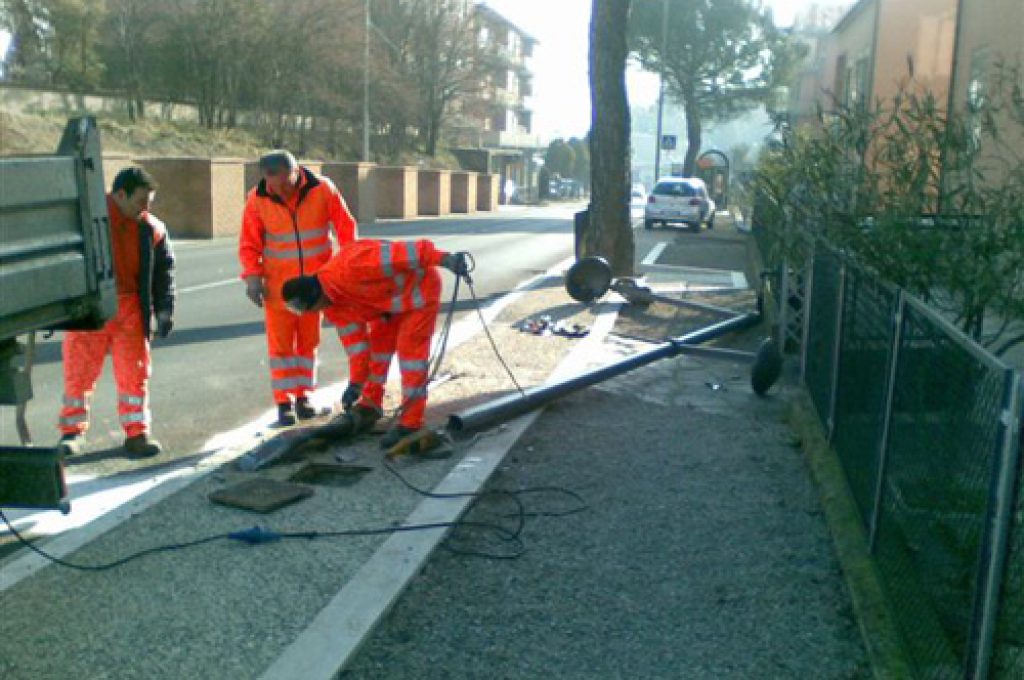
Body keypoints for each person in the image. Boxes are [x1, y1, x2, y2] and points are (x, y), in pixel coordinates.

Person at [281, 240, 470, 448]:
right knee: (378, 354)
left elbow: (408, 252)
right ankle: (370, 405)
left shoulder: (351, 267)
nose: (314, 313)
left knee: (411, 358)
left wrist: (445, 259)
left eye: (311, 308)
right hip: (387, 309)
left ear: (316, 296)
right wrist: (355, 384)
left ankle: (410, 423)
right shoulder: (333, 308)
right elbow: (358, 349)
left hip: (419, 294)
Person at [58, 167, 176, 459]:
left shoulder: (152, 228)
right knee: (79, 373)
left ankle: (137, 434)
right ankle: (72, 433)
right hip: (92, 309)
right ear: (119, 195)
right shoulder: (87, 221)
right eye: (140, 202)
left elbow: (164, 274)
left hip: (131, 310)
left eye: (149, 202)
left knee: (134, 375)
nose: (145, 209)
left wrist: (164, 311)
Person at [239, 150, 357, 426]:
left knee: (308, 343)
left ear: (296, 172)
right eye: (273, 185)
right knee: (280, 347)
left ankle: (304, 397)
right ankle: (284, 402)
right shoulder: (257, 198)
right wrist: (252, 278)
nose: (280, 191)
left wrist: (347, 267)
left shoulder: (323, 190)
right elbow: (249, 242)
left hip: (315, 286)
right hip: (277, 286)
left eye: (285, 184)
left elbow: (346, 230)